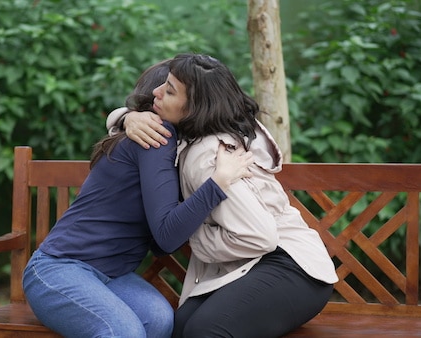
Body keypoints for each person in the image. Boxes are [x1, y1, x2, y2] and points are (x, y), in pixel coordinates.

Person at [108, 53, 339, 338]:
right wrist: (127, 116)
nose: (156, 93)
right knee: (181, 329)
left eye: (168, 90)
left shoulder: (209, 154)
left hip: (292, 267)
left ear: (194, 107)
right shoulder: (190, 139)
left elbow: (260, 236)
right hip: (253, 265)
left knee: (205, 332)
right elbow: (135, 117)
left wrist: (196, 238)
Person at [22, 59, 254, 338]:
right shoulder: (156, 139)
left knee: (159, 320)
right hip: (58, 269)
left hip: (112, 276)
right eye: (161, 88)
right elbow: (167, 238)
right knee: (124, 332)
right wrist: (218, 183)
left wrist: (124, 116)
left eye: (169, 90)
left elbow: (158, 242)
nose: (159, 93)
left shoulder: (171, 146)